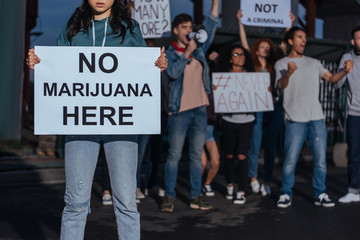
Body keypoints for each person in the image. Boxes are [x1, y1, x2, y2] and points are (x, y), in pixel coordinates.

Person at [27, 0, 167, 239]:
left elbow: (144, 68)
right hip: (81, 126)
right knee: (75, 204)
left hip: (122, 126)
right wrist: (39, 63)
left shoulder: (129, 28)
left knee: (126, 203)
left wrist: (158, 64)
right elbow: (58, 69)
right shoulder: (73, 27)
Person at [275, 26, 353, 208]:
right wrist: (289, 73)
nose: (304, 41)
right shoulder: (281, 63)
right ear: (290, 41)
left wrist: (345, 71)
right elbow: (280, 85)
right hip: (294, 119)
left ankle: (320, 193)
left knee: (320, 161)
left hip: (316, 118)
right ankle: (286, 193)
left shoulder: (314, 62)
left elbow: (332, 79)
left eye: (305, 37)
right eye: (300, 37)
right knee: (290, 161)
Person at [160, 0, 219, 212]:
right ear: (175, 30)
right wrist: (186, 54)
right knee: (174, 155)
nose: (188, 30)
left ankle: (196, 196)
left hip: (200, 110)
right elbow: (173, 72)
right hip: (179, 112)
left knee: (196, 156)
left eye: (190, 27)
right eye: (184, 27)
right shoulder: (168, 53)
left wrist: (215, 3)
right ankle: (169, 196)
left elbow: (211, 24)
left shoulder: (199, 48)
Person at [237, 10, 295, 196]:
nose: (266, 49)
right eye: (262, 47)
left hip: (273, 108)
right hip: (256, 109)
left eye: (267, 47)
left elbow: (284, 44)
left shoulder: (274, 64)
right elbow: (244, 44)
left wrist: (289, 25)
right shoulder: (251, 65)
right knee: (254, 147)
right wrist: (240, 22)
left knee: (270, 148)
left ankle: (267, 181)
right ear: (256, 50)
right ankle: (253, 178)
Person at [214, 45, 255, 204]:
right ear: (230, 59)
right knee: (229, 155)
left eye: (243, 54)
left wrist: (265, 90)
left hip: (247, 121)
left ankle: (242, 190)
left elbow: (259, 94)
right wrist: (217, 89)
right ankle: (230, 184)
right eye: (236, 54)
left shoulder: (251, 77)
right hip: (228, 121)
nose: (240, 57)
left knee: (242, 155)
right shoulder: (224, 77)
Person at [336, 26, 360, 203]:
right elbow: (336, 85)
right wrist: (345, 70)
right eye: (359, 38)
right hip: (355, 114)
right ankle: (353, 190)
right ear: (353, 41)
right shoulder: (347, 58)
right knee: (354, 154)